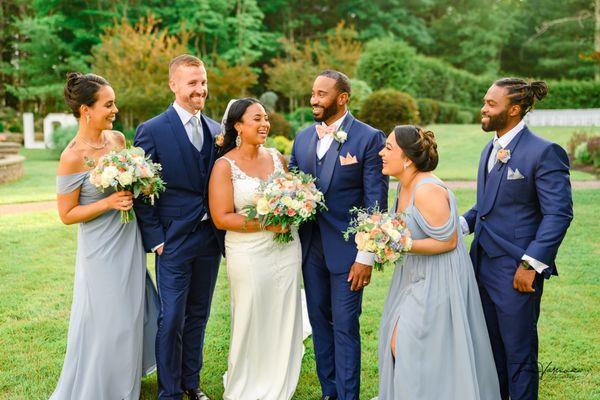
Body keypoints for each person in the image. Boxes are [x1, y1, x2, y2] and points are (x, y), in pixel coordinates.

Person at [461, 78, 573, 400]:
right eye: (484, 101)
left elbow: (558, 214)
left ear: (514, 109)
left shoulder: (544, 152)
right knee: (491, 351)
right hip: (481, 266)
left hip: (516, 272)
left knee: (518, 355)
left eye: (491, 104)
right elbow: (486, 205)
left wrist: (530, 264)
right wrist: (455, 227)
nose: (483, 108)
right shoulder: (489, 149)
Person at [52, 72, 158, 400]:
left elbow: (128, 187)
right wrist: (109, 203)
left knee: (131, 313)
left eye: (114, 103)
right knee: (109, 318)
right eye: (108, 104)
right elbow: (67, 215)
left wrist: (143, 185)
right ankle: (106, 387)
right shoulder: (72, 156)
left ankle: (127, 381)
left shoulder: (117, 140)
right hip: (100, 249)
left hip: (128, 238)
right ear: (86, 109)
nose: (115, 109)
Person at [377, 125, 501, 399]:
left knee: (408, 345)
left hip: (438, 277)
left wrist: (398, 244)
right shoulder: (403, 185)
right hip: (411, 276)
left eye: (388, 148)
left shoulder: (427, 190)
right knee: (400, 344)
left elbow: (449, 241)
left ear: (407, 158)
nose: (380, 153)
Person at [289, 70, 388, 400]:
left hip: (349, 252)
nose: (314, 99)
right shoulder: (303, 138)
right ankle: (329, 392)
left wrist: (366, 256)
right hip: (309, 248)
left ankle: (348, 396)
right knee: (319, 323)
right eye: (313, 93)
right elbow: (291, 187)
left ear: (342, 98)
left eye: (321, 94)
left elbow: (375, 202)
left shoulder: (369, 138)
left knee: (345, 326)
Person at [134, 54, 225, 400]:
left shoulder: (217, 131)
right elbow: (143, 189)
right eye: (192, 83)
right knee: (171, 317)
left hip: (208, 240)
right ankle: (169, 391)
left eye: (203, 82)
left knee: (198, 314)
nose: (200, 89)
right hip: (171, 242)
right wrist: (156, 239)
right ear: (174, 85)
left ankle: (192, 382)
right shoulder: (152, 130)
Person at [209, 98, 304, 400]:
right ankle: (247, 380)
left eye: (265, 118)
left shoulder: (278, 158)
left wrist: (298, 206)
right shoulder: (225, 166)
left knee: (282, 311)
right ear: (238, 125)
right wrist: (268, 223)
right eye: (256, 119)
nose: (264, 124)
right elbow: (221, 217)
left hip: (285, 250)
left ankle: (279, 375)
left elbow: (292, 197)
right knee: (251, 314)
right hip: (247, 252)